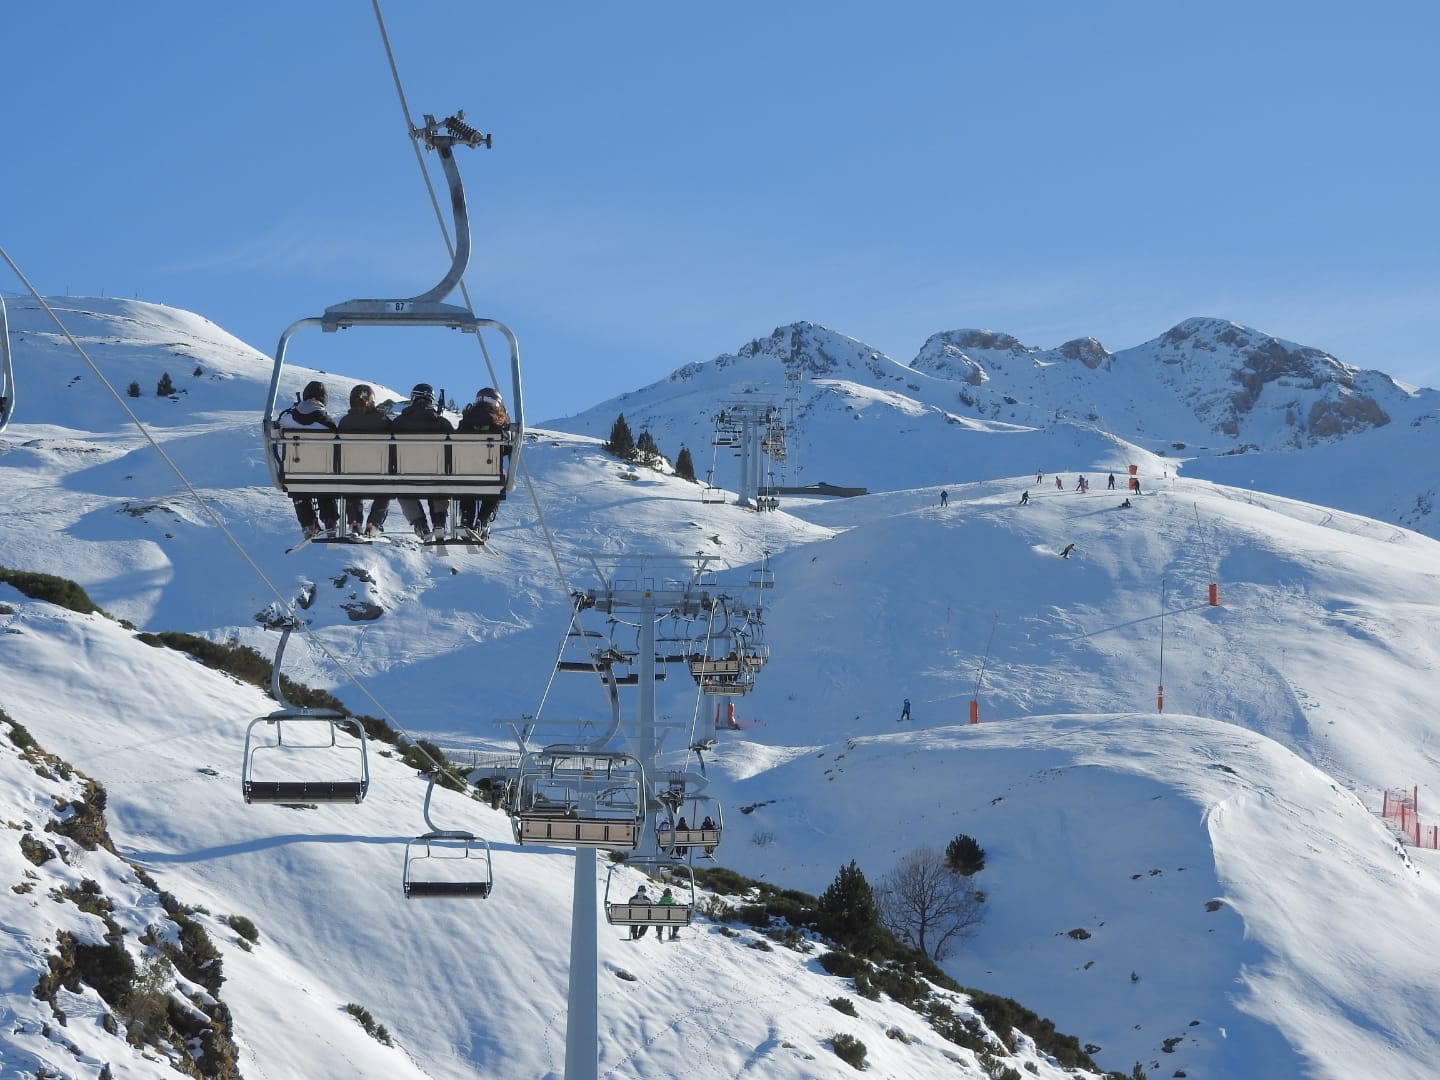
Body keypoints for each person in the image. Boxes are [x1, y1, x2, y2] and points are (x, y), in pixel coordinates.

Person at [277, 380, 340, 539]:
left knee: (299, 489)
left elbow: (278, 428)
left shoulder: (288, 418)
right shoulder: (326, 422)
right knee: (325, 487)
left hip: (295, 470)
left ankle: (309, 524)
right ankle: (330, 518)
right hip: (322, 471)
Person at [392, 383, 453, 540]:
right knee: (440, 486)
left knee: (403, 490)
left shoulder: (399, 423)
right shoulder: (442, 423)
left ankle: (420, 524)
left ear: (413, 398)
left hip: (407, 473)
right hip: (436, 474)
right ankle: (439, 522)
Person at [337, 383, 392, 537]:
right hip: (379, 474)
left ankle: (354, 522)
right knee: (384, 493)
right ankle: (373, 524)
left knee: (351, 489)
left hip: (352, 473)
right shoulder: (383, 421)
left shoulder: (345, 422)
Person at [457, 387, 511, 539]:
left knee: (469, 486)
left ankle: (467, 520)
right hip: (491, 473)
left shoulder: (466, 420)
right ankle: (482, 521)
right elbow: (507, 448)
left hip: (466, 472)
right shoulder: (499, 423)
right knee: (497, 484)